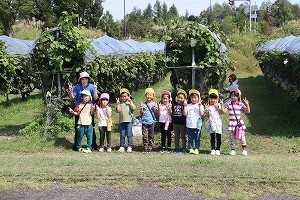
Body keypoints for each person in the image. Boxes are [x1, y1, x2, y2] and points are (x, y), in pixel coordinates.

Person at [67, 71, 98, 151]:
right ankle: (76, 146)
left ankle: (93, 145)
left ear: (88, 79)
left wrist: (95, 90)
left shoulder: (91, 86)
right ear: (80, 80)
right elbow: (72, 99)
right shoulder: (77, 87)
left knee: (91, 128)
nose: (84, 81)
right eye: (82, 79)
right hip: (79, 109)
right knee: (78, 128)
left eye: (86, 79)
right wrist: (70, 92)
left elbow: (95, 98)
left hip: (89, 110)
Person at [221, 88, 250, 156]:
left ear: (238, 97)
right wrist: (222, 105)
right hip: (232, 124)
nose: (233, 97)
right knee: (232, 138)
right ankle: (232, 150)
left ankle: (244, 150)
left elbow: (248, 111)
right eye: (232, 95)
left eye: (235, 96)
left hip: (239, 124)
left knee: (242, 137)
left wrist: (247, 104)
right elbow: (224, 112)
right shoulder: (229, 104)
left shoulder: (240, 104)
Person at [183, 89, 205, 155]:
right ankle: (191, 148)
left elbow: (201, 114)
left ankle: (197, 148)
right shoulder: (188, 105)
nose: (194, 99)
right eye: (192, 98)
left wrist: (200, 106)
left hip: (197, 125)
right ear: (190, 98)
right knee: (190, 138)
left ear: (198, 98)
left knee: (197, 138)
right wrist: (185, 106)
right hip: (189, 125)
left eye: (195, 98)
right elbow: (185, 113)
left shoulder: (200, 105)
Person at [116, 88, 136, 153]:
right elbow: (118, 110)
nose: (124, 98)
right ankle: (122, 146)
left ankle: (130, 146)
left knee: (129, 134)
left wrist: (130, 101)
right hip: (121, 122)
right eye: (122, 96)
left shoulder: (129, 103)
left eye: (125, 96)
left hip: (129, 122)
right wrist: (118, 104)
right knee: (122, 134)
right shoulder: (120, 104)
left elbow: (133, 108)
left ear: (128, 96)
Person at [205, 89, 223, 156]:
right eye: (211, 98)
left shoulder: (218, 105)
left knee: (218, 136)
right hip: (211, 124)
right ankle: (212, 149)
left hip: (218, 123)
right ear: (209, 99)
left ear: (217, 99)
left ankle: (218, 149)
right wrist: (206, 110)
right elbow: (207, 116)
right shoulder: (209, 106)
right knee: (212, 136)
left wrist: (217, 107)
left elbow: (221, 112)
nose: (213, 100)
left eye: (214, 98)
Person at [140, 88, 158, 153]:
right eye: (147, 94)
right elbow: (141, 113)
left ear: (153, 96)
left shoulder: (154, 104)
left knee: (151, 135)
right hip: (144, 121)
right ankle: (145, 146)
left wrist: (155, 109)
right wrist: (141, 108)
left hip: (151, 122)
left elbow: (156, 113)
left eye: (150, 95)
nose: (149, 96)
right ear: (145, 95)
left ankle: (150, 147)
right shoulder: (143, 104)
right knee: (145, 135)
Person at [172, 89, 187, 153]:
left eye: (181, 98)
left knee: (183, 136)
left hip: (182, 123)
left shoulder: (184, 105)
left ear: (184, 99)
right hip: (175, 123)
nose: (180, 99)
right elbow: (171, 112)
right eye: (179, 97)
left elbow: (185, 113)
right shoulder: (174, 104)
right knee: (176, 136)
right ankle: (177, 148)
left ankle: (184, 148)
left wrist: (185, 105)